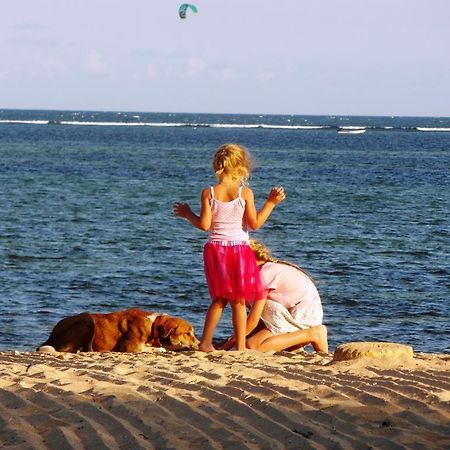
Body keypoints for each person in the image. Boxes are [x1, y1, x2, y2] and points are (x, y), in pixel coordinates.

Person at [173, 143, 285, 352]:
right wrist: (270, 203)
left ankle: (206, 343)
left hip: (216, 249)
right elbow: (255, 224)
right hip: (239, 251)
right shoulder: (245, 194)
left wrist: (188, 213)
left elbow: (204, 225)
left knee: (218, 299)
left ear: (217, 165)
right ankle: (241, 346)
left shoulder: (209, 193)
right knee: (239, 300)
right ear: (241, 167)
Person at [222, 240, 328, 353]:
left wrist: (232, 341)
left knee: (254, 347)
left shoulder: (264, 275)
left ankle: (314, 334)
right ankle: (295, 345)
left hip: (303, 316)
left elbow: (253, 320)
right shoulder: (269, 268)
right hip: (293, 314)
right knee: (250, 342)